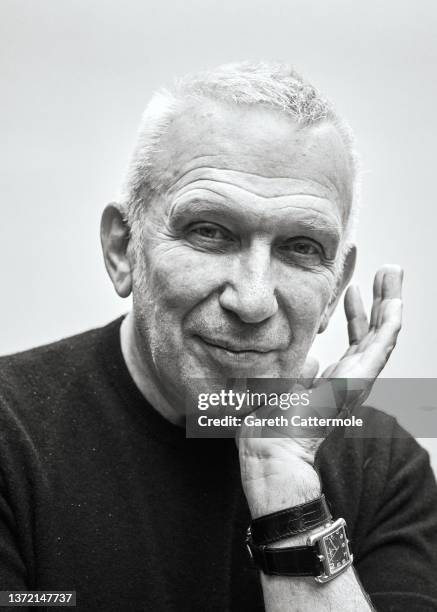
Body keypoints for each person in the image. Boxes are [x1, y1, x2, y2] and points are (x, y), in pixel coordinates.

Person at [0, 62, 436, 612]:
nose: (252, 300)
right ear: (122, 250)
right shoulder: (11, 440)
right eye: (209, 232)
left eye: (301, 247)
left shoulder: (384, 462)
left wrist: (285, 488)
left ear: (333, 290)